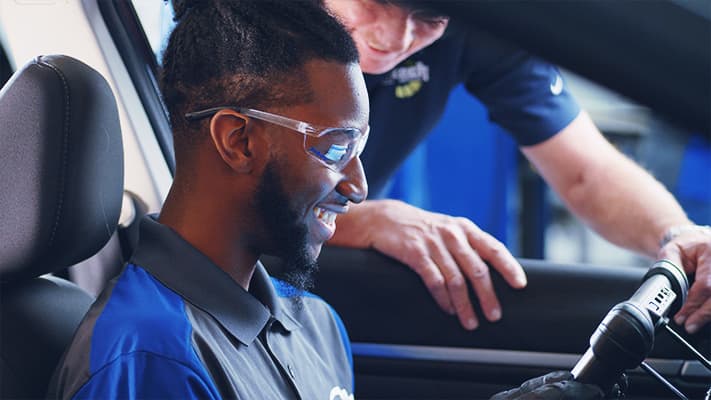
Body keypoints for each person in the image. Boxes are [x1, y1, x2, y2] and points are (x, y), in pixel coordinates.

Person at [321, 0, 711, 334]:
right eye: (374, 3)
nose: (393, 39)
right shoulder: (262, 19)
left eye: (428, 20)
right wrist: (363, 221)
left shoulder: (478, 21)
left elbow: (586, 172)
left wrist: (678, 237)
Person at [48, 1, 367, 398]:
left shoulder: (318, 326)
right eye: (336, 148)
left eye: (360, 144)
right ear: (239, 141)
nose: (358, 186)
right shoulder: (149, 358)